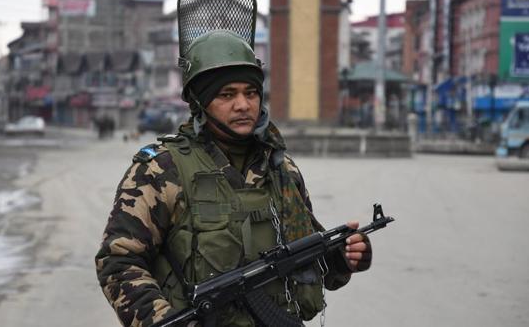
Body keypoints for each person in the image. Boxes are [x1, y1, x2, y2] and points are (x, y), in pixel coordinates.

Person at [95, 29, 373, 327]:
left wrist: (342, 258)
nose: (243, 105)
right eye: (227, 95)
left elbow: (303, 260)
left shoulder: (281, 169)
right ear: (200, 103)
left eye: (250, 93)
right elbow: (118, 262)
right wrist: (166, 321)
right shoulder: (161, 170)